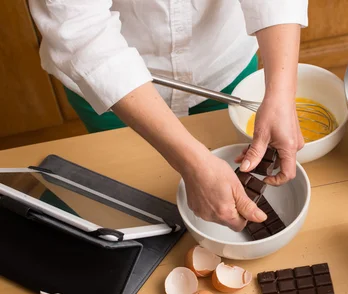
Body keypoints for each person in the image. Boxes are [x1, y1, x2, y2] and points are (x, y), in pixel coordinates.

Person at [29, 0, 308, 231]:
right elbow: (78, 27)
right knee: (128, 199)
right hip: (113, 89)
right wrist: (190, 162)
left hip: (222, 64)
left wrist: (282, 93)